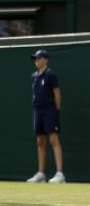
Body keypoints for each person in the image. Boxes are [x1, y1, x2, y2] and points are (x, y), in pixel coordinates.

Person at [26, 50, 65, 184]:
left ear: (46, 60)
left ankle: (60, 174)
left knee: (53, 140)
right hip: (38, 111)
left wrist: (56, 111)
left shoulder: (51, 75)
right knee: (40, 142)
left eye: (39, 58)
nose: (36, 60)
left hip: (50, 110)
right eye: (35, 58)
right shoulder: (34, 76)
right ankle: (41, 174)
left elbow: (57, 94)